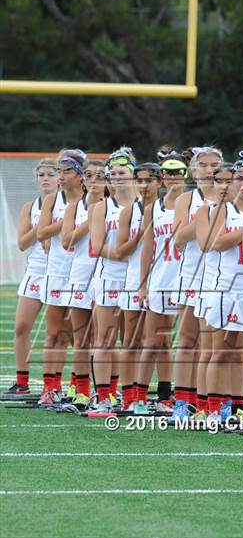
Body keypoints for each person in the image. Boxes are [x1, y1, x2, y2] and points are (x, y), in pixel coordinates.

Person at [205, 153, 243, 422]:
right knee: (222, 351)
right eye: (240, 178)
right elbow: (217, 242)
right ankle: (214, 409)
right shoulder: (223, 209)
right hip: (228, 288)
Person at [171, 147, 222, 417]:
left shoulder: (232, 197)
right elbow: (178, 238)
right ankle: (183, 400)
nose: (209, 169)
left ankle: (211, 401)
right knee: (188, 340)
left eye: (215, 164)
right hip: (192, 275)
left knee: (214, 344)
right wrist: (208, 215)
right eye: (203, 165)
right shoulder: (187, 200)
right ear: (193, 170)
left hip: (220, 279)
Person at [135, 158, 187, 413]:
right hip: (161, 279)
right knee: (154, 341)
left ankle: (176, 395)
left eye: (178, 172)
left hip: (188, 280)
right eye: (168, 173)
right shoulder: (153, 209)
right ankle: (141, 396)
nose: (173, 177)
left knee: (189, 342)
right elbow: (147, 249)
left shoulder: (195, 204)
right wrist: (143, 284)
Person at [5, 158, 59, 395]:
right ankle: (22, 382)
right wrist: (42, 228)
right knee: (21, 327)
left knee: (56, 332)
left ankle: (54, 385)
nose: (45, 178)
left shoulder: (69, 205)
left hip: (60, 272)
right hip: (35, 270)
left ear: (60, 178)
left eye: (50, 174)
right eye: (41, 175)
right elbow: (22, 243)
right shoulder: (30, 207)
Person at [89, 147, 136, 413]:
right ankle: (103, 395)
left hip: (135, 280)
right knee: (105, 339)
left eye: (123, 172)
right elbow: (96, 245)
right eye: (114, 173)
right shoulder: (102, 207)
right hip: (109, 276)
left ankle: (129, 395)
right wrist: (121, 253)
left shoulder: (146, 206)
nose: (118, 177)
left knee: (131, 342)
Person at [37, 149, 86, 405]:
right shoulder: (53, 201)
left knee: (79, 334)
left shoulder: (93, 200)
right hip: (57, 270)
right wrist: (69, 220)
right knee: (54, 333)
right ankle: (50, 387)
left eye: (68, 171)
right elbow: (41, 233)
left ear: (80, 175)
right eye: (60, 172)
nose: (62, 177)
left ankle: (77, 387)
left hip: (84, 273)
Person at [61, 160, 107, 406]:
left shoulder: (115, 207)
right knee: (80, 339)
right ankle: (81, 391)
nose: (94, 180)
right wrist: (91, 221)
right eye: (89, 175)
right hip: (80, 275)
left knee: (106, 339)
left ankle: (108, 390)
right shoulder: (74, 208)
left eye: (100, 176)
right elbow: (66, 242)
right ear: (83, 179)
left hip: (105, 275)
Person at [116, 163, 161, 411]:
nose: (144, 186)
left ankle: (159, 394)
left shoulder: (169, 209)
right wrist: (142, 234)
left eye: (149, 181)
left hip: (163, 281)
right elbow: (121, 251)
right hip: (134, 280)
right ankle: (129, 395)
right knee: (131, 342)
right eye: (140, 181)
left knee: (156, 343)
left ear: (159, 182)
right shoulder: (129, 212)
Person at [193, 162, 235, 419]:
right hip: (213, 286)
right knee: (212, 350)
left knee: (239, 353)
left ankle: (233, 405)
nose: (224, 186)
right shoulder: (206, 211)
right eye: (219, 181)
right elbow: (209, 244)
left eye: (229, 181)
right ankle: (205, 406)